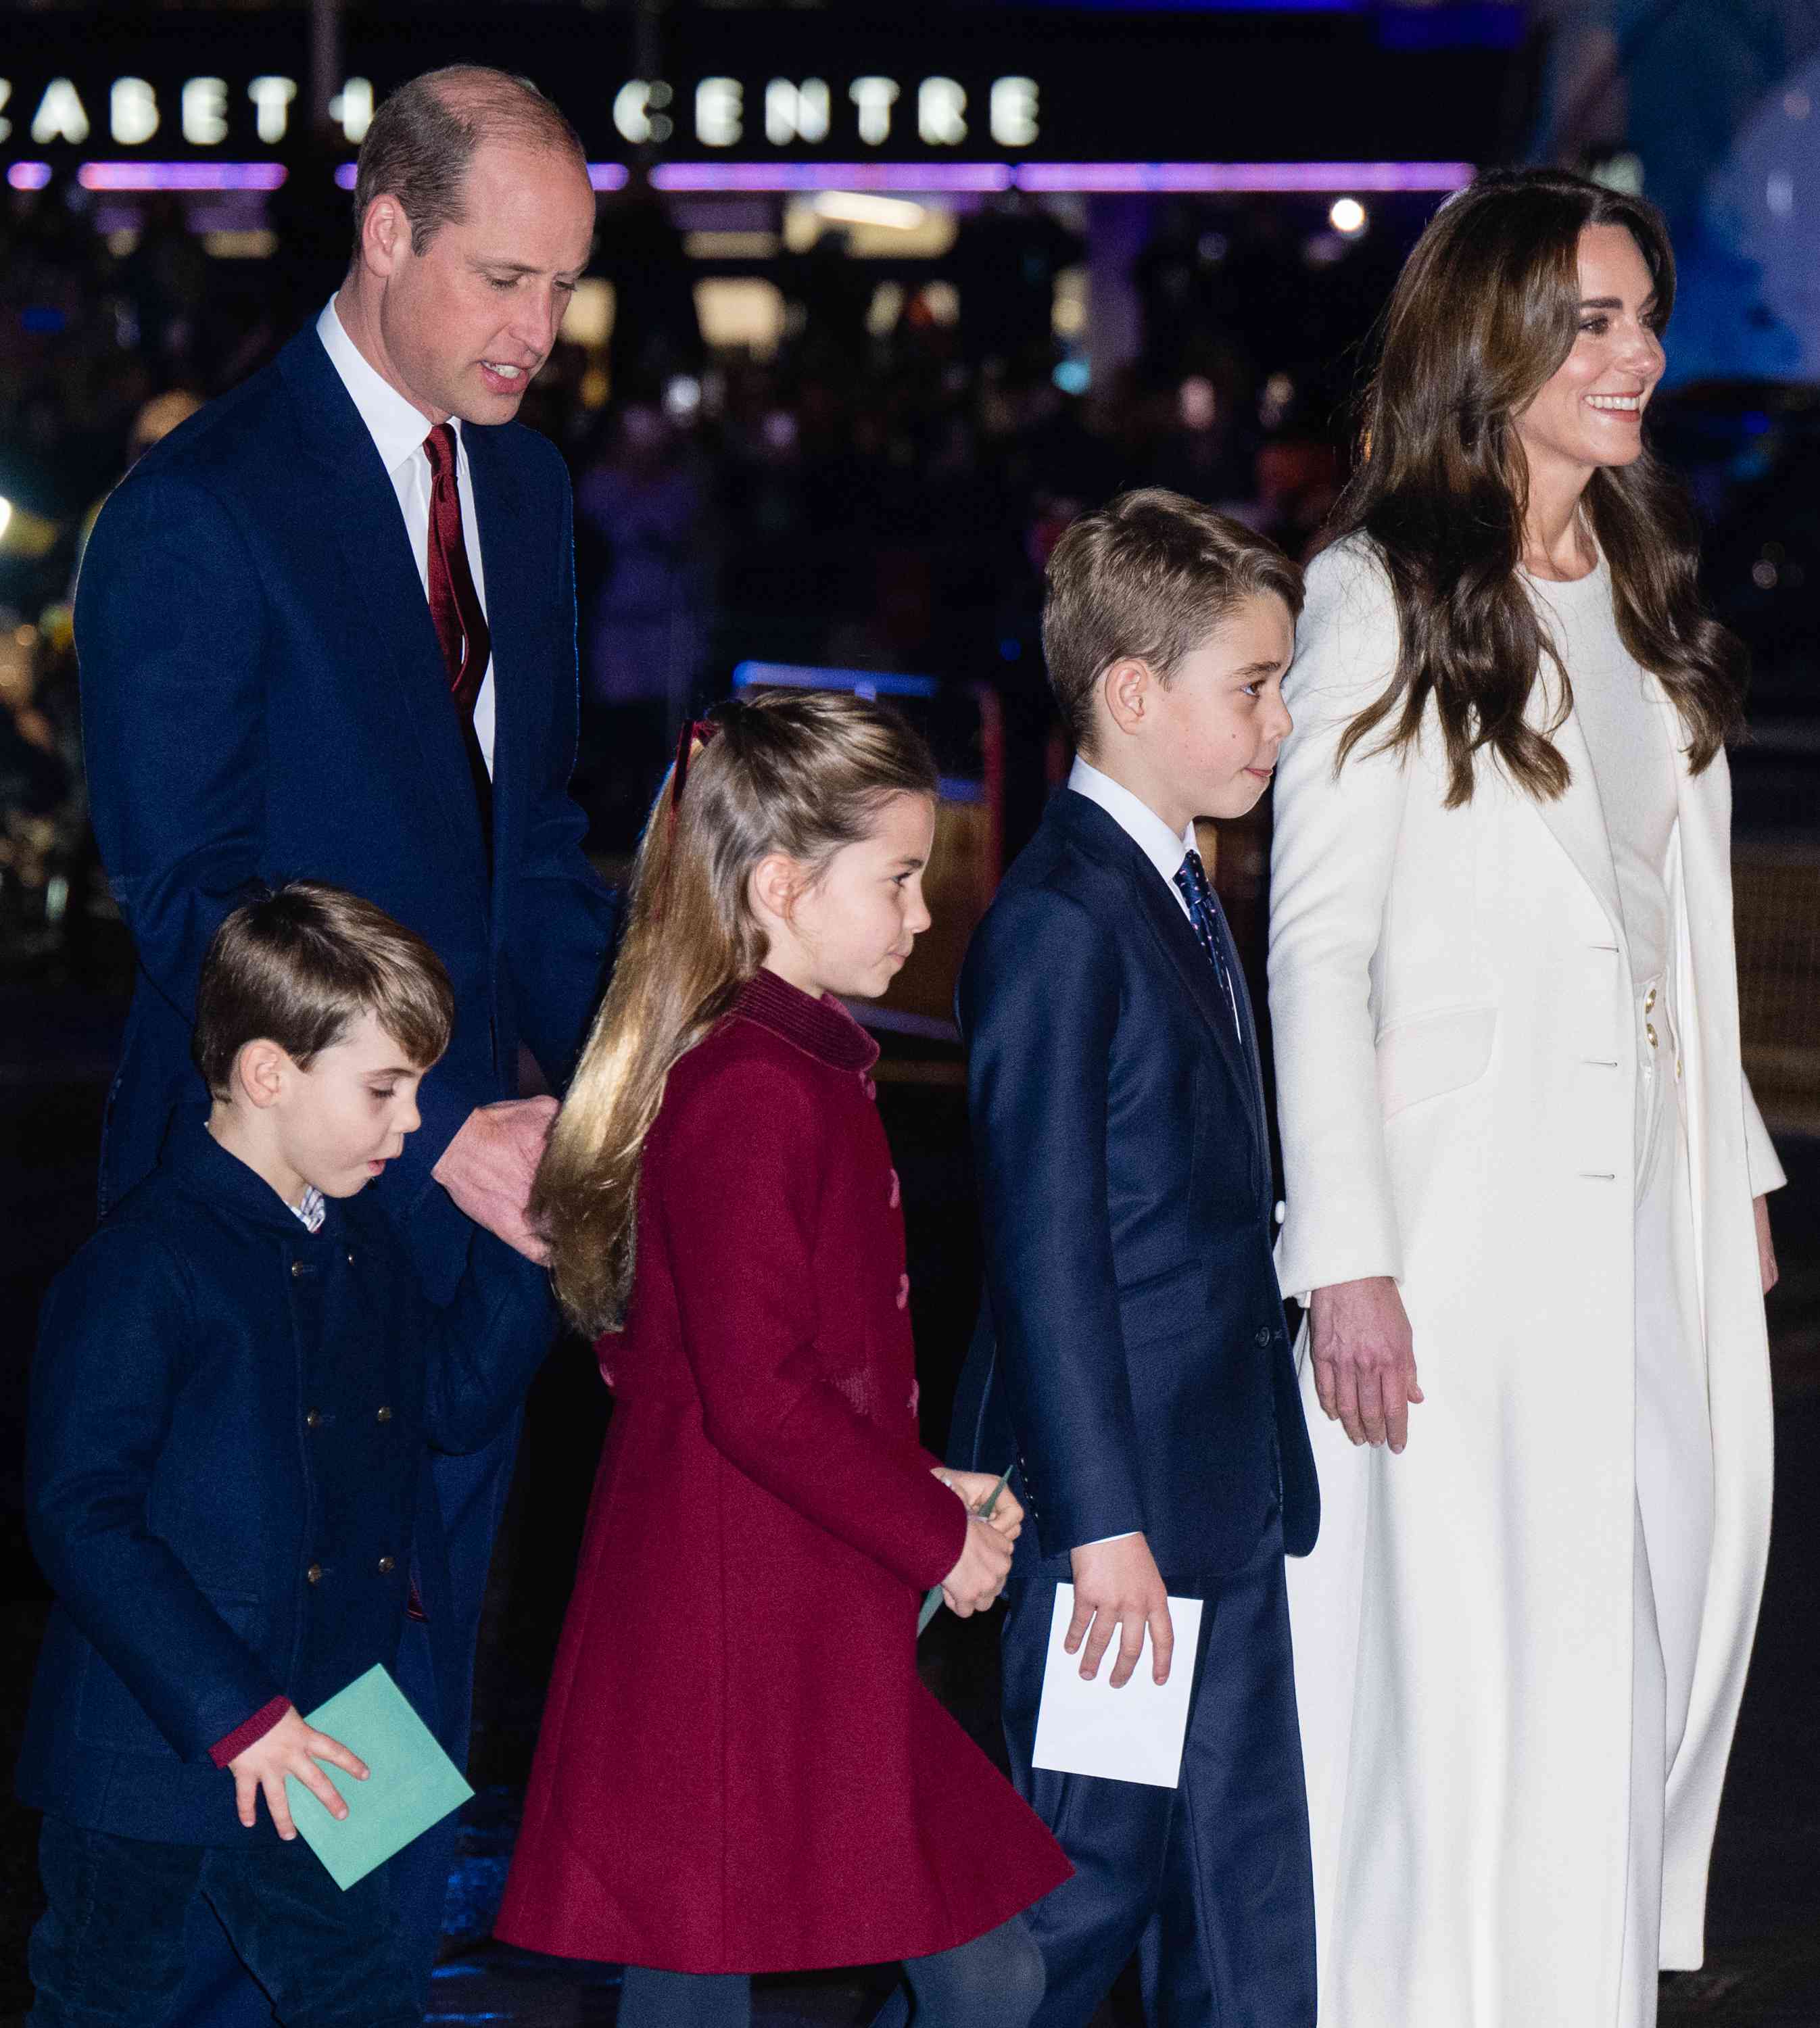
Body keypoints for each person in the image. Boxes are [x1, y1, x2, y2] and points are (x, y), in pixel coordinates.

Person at [71, 65, 621, 2011]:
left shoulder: (530, 494)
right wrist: (449, 1110)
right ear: (383, 231)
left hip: (469, 1258)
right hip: (262, 1259)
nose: (535, 333)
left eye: (563, 288)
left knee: (398, 1761)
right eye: (500, 279)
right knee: (221, 1780)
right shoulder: (202, 510)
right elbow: (189, 907)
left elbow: (532, 847)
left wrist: (583, 1097)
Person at [1268, 168, 1786, 2027]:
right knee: (1469, 1681)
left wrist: (1723, 1169)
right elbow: (1316, 949)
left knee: (1639, 1627)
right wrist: (1346, 1254)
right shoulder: (1375, 590)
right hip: (1455, 1242)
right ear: (1488, 344)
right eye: (1591, 321)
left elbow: (1668, 914)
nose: (1636, 351)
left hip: (1640, 1219)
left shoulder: (1637, 581)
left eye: (1641, 315)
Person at [495, 690, 1072, 2028]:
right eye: (898, 880)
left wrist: (928, 1479)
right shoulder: (750, 1087)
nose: (923, 917)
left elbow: (763, 1373)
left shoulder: (780, 1070)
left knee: (973, 1963)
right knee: (708, 1985)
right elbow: (760, 1395)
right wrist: (931, 1524)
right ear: (777, 885)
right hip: (732, 1620)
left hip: (786, 1598)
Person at [18, 882, 551, 2028]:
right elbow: (81, 1514)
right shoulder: (146, 1266)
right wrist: (236, 1710)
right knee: (110, 2005)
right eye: (385, 1090)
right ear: (268, 1074)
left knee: (365, 1993)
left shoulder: (357, 1242)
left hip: (341, 1725)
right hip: (156, 1750)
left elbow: (448, 1405)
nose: (414, 1127)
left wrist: (525, 1248)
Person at [949, 488, 1320, 2028]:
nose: (1280, 721)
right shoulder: (1059, 924)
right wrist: (1098, 1528)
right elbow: (1043, 1252)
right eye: (1250, 686)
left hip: (1213, 1496)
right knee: (1075, 1892)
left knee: (1241, 1901)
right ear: (1130, 692)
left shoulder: (1170, 890)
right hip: (1118, 1538)